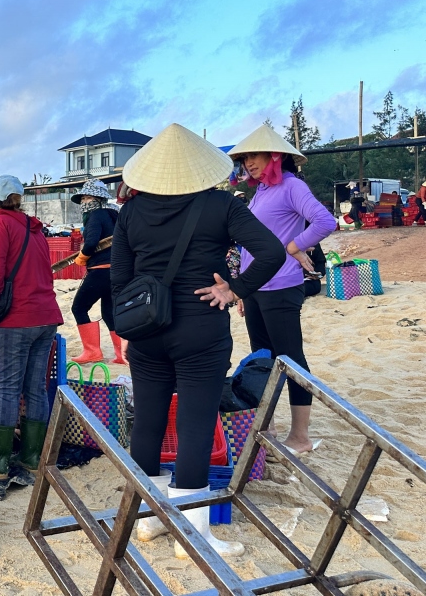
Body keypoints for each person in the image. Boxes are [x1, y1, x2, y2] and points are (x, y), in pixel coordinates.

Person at [111, 124, 284, 558]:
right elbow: (272, 252)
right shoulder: (222, 206)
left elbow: (119, 280)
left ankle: (148, 521)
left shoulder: (131, 212)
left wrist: (128, 330)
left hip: (146, 331)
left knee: (148, 421)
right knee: (193, 423)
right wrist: (235, 290)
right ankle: (193, 535)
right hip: (200, 328)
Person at [228, 125, 335, 455]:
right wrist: (244, 289)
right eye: (245, 158)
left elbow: (325, 221)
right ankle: (270, 427)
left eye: (254, 155)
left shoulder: (292, 185)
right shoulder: (261, 191)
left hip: (281, 286)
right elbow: (253, 242)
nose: (249, 163)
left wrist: (294, 246)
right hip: (257, 287)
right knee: (264, 359)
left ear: (274, 155)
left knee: (290, 359)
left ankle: (300, 437)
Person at [0, 175, 64, 478]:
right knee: (36, 388)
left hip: (17, 318)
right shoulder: (33, 226)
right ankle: (32, 457)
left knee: (8, 390)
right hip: (46, 315)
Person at [68, 180, 124, 365]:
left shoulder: (95, 215)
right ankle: (121, 355)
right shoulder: (115, 214)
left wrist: (82, 257)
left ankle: (92, 351)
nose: (84, 201)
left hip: (99, 271)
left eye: (87, 197)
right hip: (117, 271)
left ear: (97, 199)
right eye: (83, 198)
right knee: (109, 313)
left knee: (79, 308)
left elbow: (91, 242)